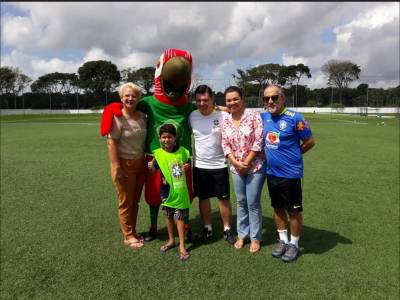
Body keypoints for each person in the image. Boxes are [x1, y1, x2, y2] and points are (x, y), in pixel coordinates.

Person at [260, 84, 315, 263]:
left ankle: (294, 244)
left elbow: (309, 141)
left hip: (291, 174)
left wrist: (295, 154)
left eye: (274, 97)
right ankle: (282, 241)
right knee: (277, 208)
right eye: (266, 98)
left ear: (283, 98)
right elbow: (239, 112)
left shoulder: (295, 118)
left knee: (293, 211)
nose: (270, 101)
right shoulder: (263, 117)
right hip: (271, 173)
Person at [189, 85, 236, 246]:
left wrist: (224, 108)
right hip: (200, 166)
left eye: (206, 100)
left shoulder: (223, 115)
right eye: (199, 100)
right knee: (203, 198)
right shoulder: (192, 116)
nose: (202, 103)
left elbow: (237, 112)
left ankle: (227, 228)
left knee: (224, 199)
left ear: (212, 99)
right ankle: (207, 228)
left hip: (220, 165)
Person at [221, 86, 265, 253]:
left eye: (235, 99)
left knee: (252, 202)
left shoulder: (254, 117)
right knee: (241, 202)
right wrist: (235, 162)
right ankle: (242, 234)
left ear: (242, 99)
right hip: (236, 168)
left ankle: (255, 238)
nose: (232, 103)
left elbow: (258, 141)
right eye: (229, 100)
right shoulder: (225, 121)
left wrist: (245, 162)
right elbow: (225, 144)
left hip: (255, 167)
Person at [106, 82, 147, 249]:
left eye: (134, 95)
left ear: (138, 98)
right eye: (127, 95)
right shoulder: (117, 117)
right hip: (124, 164)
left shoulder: (143, 116)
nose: (130, 98)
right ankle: (128, 235)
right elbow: (111, 143)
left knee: (135, 201)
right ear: (121, 98)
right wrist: (117, 167)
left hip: (141, 163)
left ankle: (133, 231)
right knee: (125, 201)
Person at [148, 124, 191, 260]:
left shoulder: (183, 151)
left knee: (180, 218)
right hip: (165, 192)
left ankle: (182, 245)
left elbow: (188, 164)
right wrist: (150, 167)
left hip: (180, 191)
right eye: (164, 137)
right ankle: (172, 240)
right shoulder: (158, 154)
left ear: (175, 138)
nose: (167, 140)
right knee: (168, 216)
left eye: (169, 137)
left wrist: (187, 166)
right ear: (160, 139)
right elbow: (153, 170)